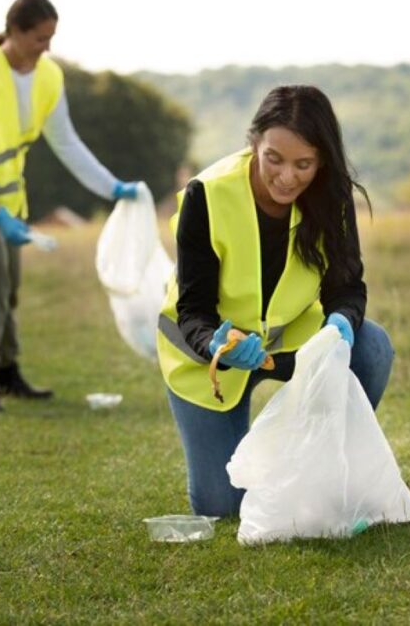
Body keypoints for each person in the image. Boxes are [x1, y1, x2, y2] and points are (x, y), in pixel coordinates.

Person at [156, 85, 395, 517]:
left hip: (291, 348)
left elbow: (347, 288)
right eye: (274, 159)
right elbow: (193, 310)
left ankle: (321, 472)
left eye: (304, 164)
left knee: (371, 346)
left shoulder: (332, 197)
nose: (288, 177)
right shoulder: (206, 195)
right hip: (208, 358)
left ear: (322, 159)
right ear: (254, 144)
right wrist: (216, 345)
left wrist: (341, 321)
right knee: (223, 508)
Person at [0, 0, 140, 414]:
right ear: (13, 32)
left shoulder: (48, 76)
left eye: (51, 39)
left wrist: (111, 186)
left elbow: (66, 143)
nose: (46, 48)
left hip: (9, 192)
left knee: (9, 283)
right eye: (38, 39)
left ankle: (9, 375)